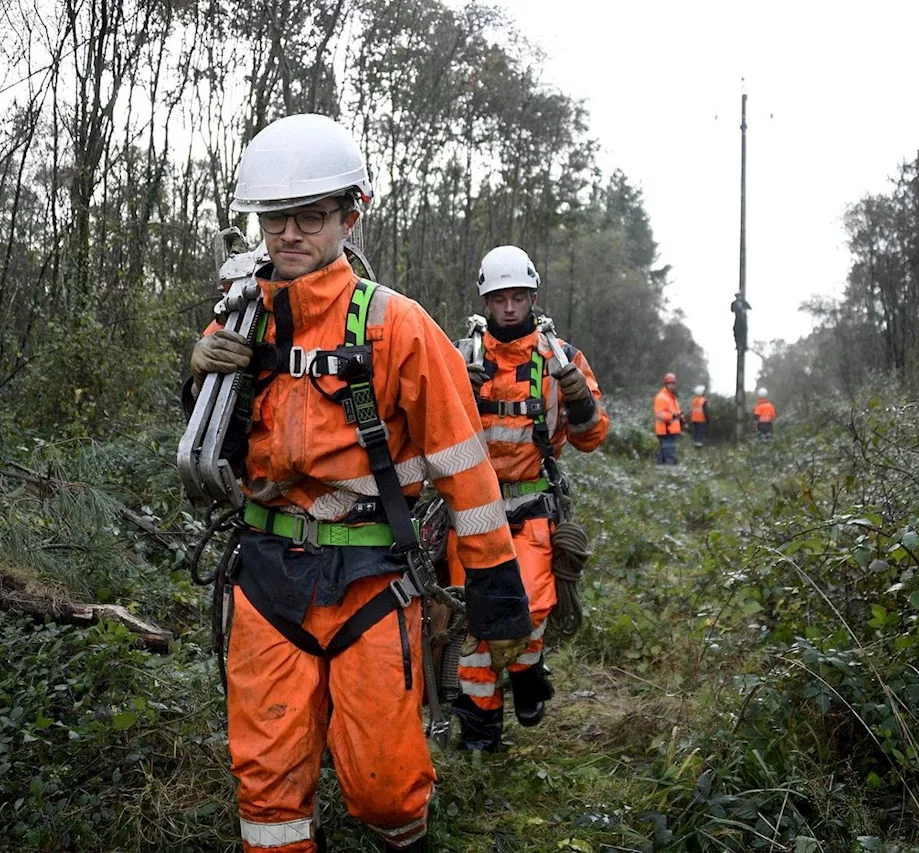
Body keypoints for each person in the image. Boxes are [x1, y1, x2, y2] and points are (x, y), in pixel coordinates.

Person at [186, 114, 532, 853]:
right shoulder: (239, 321)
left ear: (350, 215)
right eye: (275, 218)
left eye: (311, 216)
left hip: (371, 576)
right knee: (267, 786)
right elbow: (219, 444)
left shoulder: (397, 326)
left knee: (384, 783)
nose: (289, 234)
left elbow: (466, 464)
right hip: (267, 574)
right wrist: (201, 376)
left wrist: (495, 584)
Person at [445, 245, 610, 753]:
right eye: (500, 299)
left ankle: (528, 674)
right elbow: (424, 432)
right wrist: (457, 395)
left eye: (519, 297)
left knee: (532, 612)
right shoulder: (462, 357)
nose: (510, 308)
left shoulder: (561, 359)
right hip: (470, 509)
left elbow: (591, 437)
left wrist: (579, 398)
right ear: (486, 301)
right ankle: (479, 733)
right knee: (474, 621)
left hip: (532, 507)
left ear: (533, 297)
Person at [653, 373, 683, 464]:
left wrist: (681, 419)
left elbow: (676, 411)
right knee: (669, 455)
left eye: (674, 384)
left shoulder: (672, 397)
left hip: (671, 430)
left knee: (665, 454)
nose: (672, 386)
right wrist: (672, 416)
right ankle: (669, 473)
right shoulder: (661, 397)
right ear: (666, 384)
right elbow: (659, 414)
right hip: (666, 430)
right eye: (670, 384)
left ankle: (661, 472)